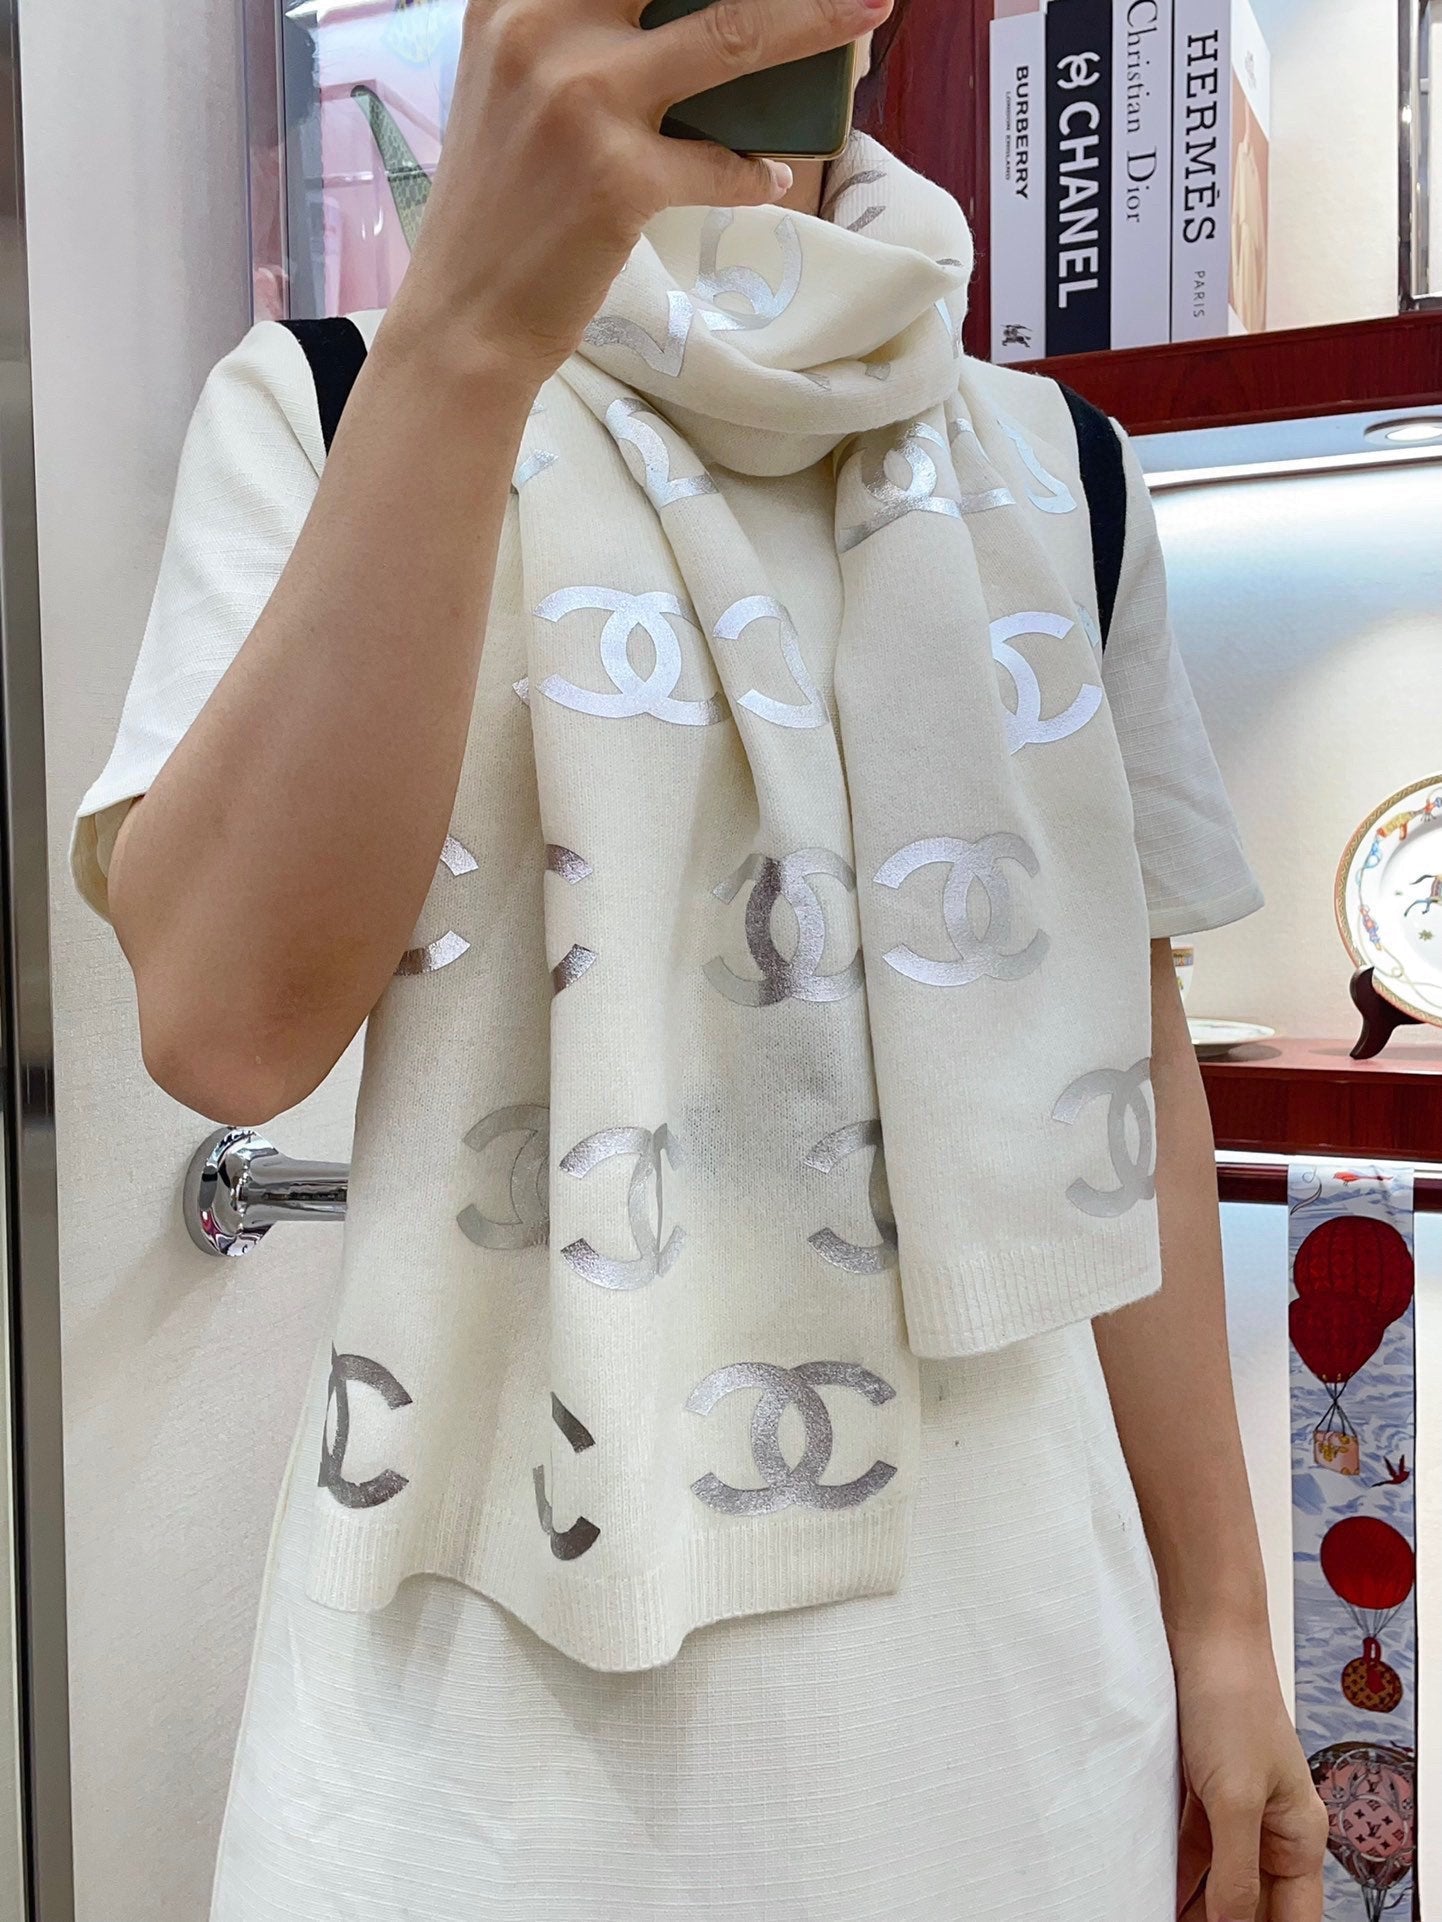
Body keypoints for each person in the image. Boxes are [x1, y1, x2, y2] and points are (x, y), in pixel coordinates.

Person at [71, 2, 1330, 1916]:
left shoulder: (1055, 469)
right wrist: (469, 330)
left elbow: (1128, 1060)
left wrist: (1225, 1626)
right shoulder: (332, 405)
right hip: (473, 1790)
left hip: (1016, 1736)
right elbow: (225, 1030)